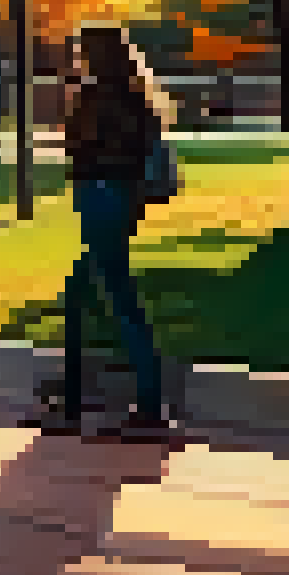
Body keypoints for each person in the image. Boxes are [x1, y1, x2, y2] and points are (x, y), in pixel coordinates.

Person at [49, 26, 173, 438]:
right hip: (123, 201)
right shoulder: (139, 101)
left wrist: (73, 104)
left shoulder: (94, 98)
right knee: (81, 291)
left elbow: (76, 145)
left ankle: (147, 405)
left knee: (119, 299)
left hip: (99, 196)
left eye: (83, 52)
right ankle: (74, 394)